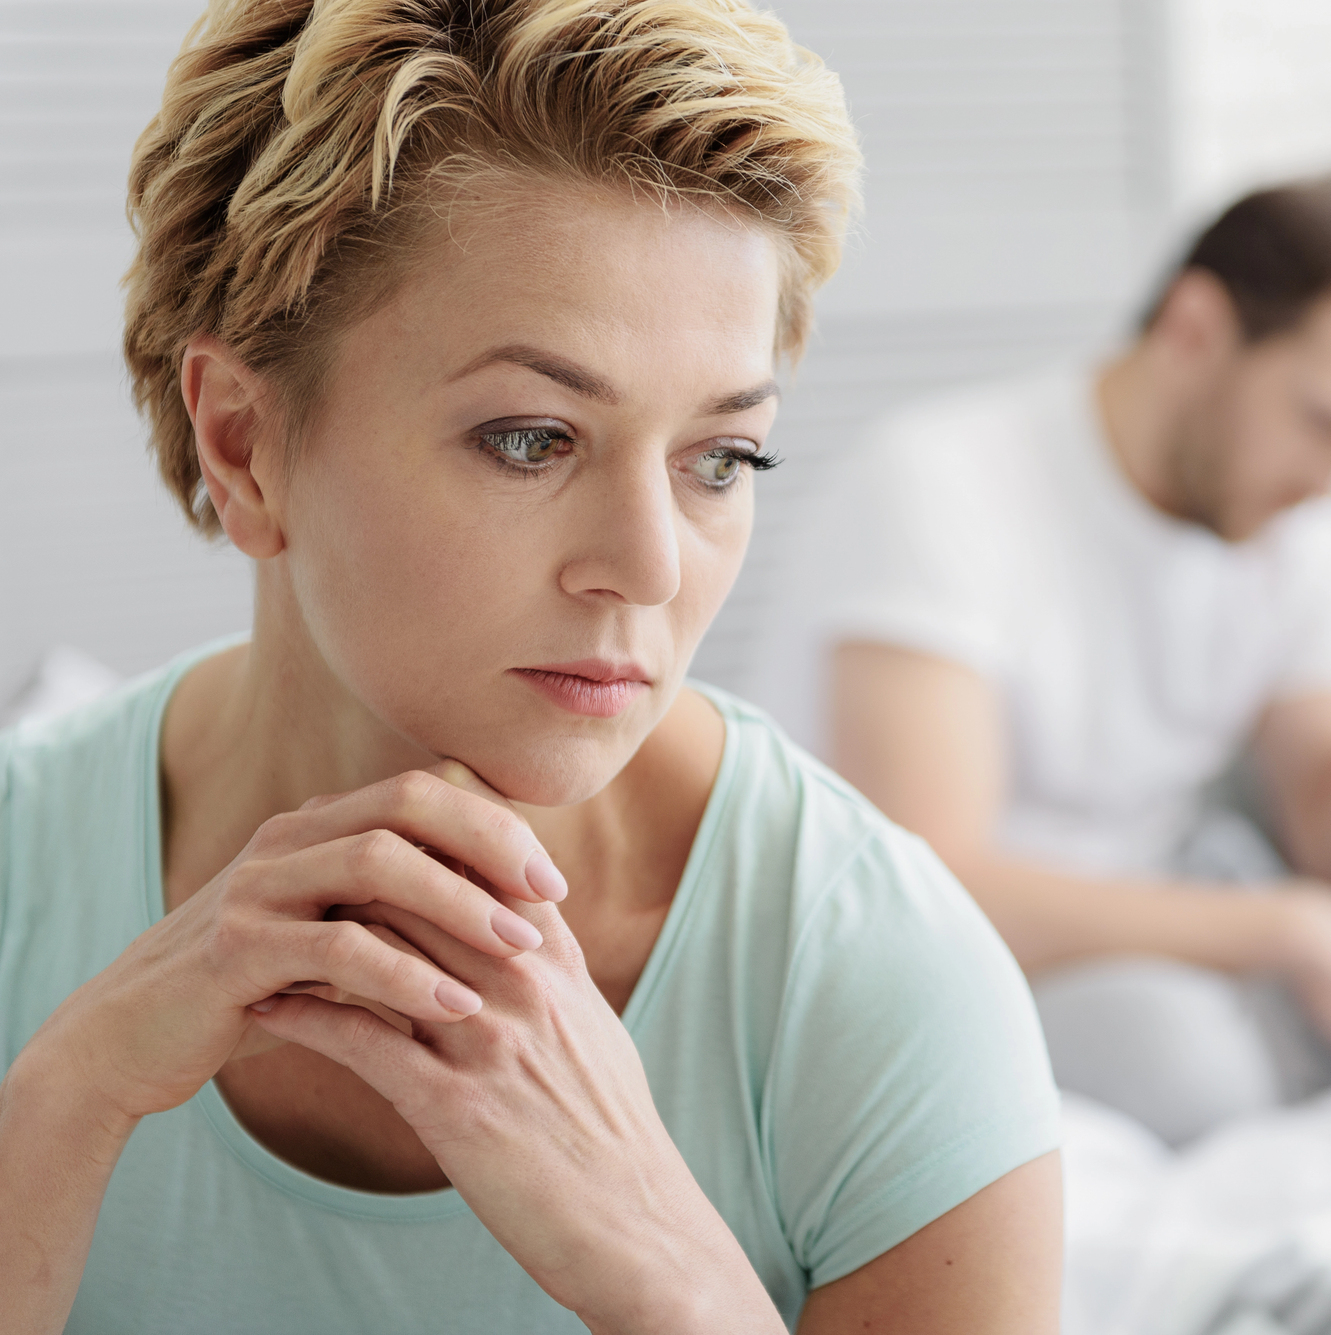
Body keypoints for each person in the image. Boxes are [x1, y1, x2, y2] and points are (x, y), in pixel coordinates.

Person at [0, 3, 1062, 1331]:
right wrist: (60, 1103)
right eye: (532, 437)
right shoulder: (18, 877)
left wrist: (675, 1279)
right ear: (244, 443)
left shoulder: (871, 978)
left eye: (718, 457)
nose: (652, 563)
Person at [771, 168, 1331, 1147]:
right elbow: (932, 893)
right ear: (1193, 329)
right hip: (966, 966)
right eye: (1319, 420)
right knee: (1179, 1059)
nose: (1329, 479)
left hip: (1186, 937)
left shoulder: (1300, 531)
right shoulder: (938, 488)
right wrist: (1285, 927)